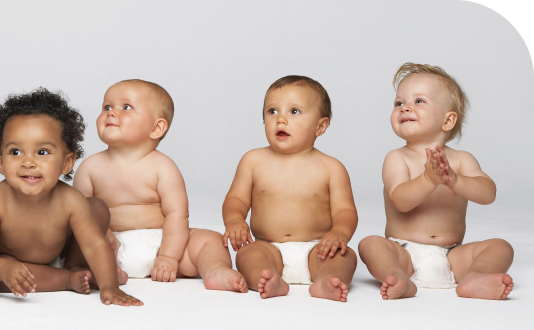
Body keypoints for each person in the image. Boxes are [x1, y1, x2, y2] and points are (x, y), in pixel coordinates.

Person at [0, 88, 142, 306]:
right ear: (0, 163)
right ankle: (66, 278)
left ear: (66, 162)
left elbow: (95, 246)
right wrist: (3, 269)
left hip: (62, 252)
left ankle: (77, 266)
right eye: (15, 152)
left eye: (42, 152)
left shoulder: (70, 200)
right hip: (17, 266)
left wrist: (110, 287)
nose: (28, 162)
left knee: (96, 207)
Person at [73, 79, 247, 292]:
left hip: (161, 243)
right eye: (107, 107)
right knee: (78, 247)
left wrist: (168, 256)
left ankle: (216, 271)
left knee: (210, 240)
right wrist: (103, 234)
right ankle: (104, 273)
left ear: (156, 128)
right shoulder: (90, 167)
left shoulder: (162, 166)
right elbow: (79, 213)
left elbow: (177, 214)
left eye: (125, 107)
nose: (111, 112)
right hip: (110, 246)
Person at [358, 63, 514, 300]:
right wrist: (429, 179)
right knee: (370, 244)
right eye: (399, 103)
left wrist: (454, 180)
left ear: (448, 121)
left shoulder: (461, 160)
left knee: (501, 247)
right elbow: (400, 200)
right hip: (404, 252)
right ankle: (396, 276)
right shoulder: (397, 158)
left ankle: (473, 277)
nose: (405, 107)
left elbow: (488, 193)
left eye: (419, 101)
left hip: (452, 256)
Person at [222, 76, 358, 301]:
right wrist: (235, 221)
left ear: (320, 126)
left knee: (345, 257)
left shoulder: (331, 168)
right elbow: (235, 199)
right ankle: (268, 280)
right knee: (247, 254)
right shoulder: (253, 161)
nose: (281, 120)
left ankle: (326, 280)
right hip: (268, 247)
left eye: (294, 112)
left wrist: (339, 233)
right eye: (272, 111)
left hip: (318, 248)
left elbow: (345, 211)